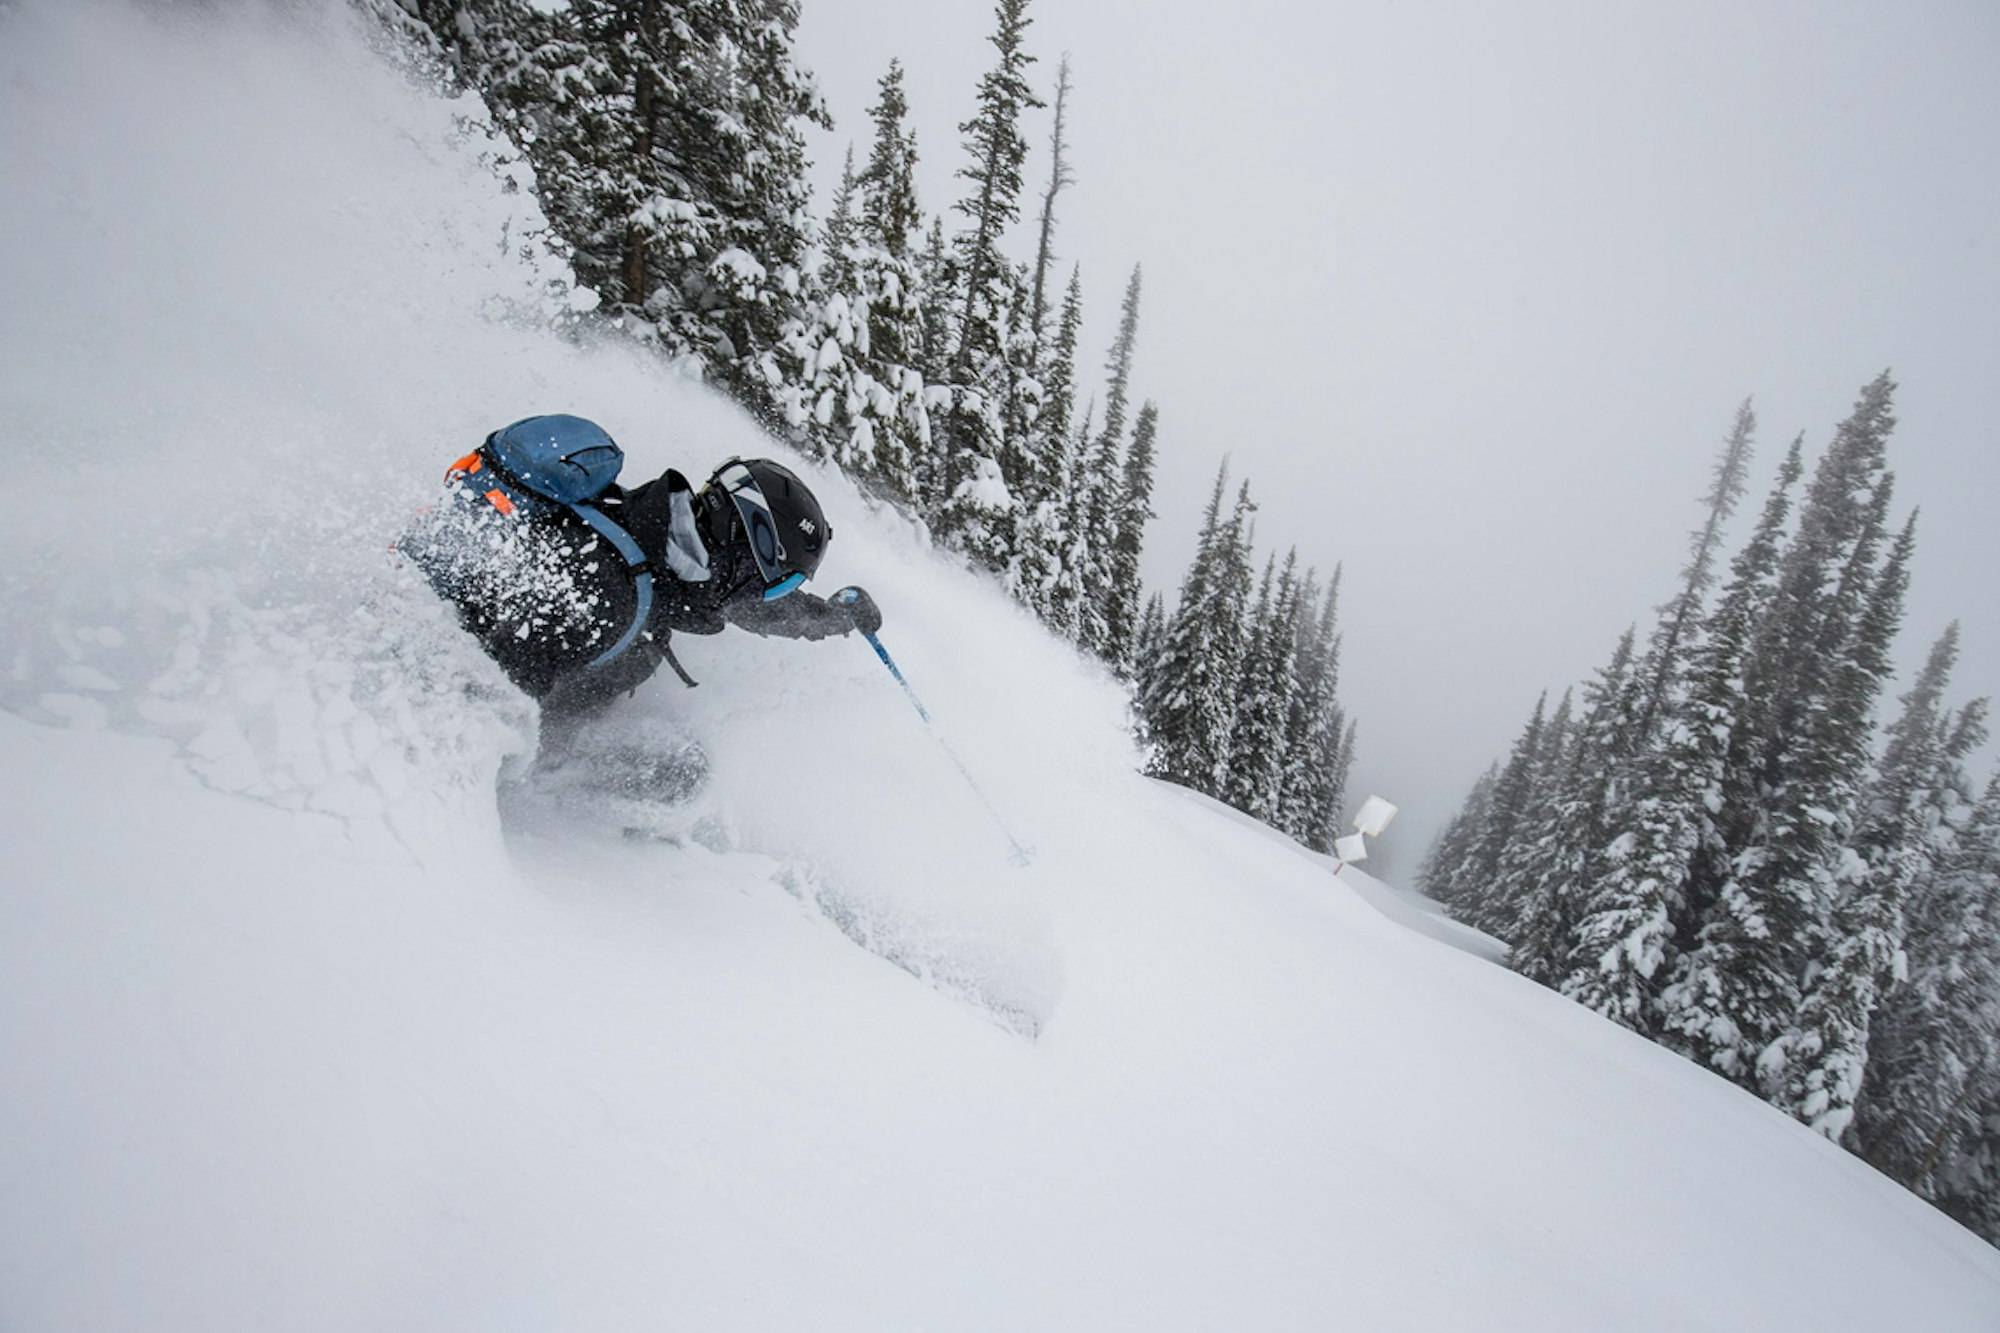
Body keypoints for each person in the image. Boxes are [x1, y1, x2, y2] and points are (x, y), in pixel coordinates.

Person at [400, 414, 882, 724]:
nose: (760, 597)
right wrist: (553, 773)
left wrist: (832, 618)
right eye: (772, 583)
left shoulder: (644, 537)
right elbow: (479, 705)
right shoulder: (611, 595)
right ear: (741, 547)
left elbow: (742, 607)